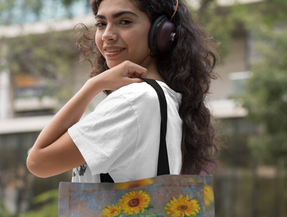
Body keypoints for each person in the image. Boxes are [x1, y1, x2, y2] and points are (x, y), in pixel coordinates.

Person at [27, 0, 219, 182]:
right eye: (101, 23)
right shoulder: (166, 97)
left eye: (124, 21)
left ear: (161, 31)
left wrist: (93, 86)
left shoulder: (135, 100)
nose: (107, 35)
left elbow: (38, 162)